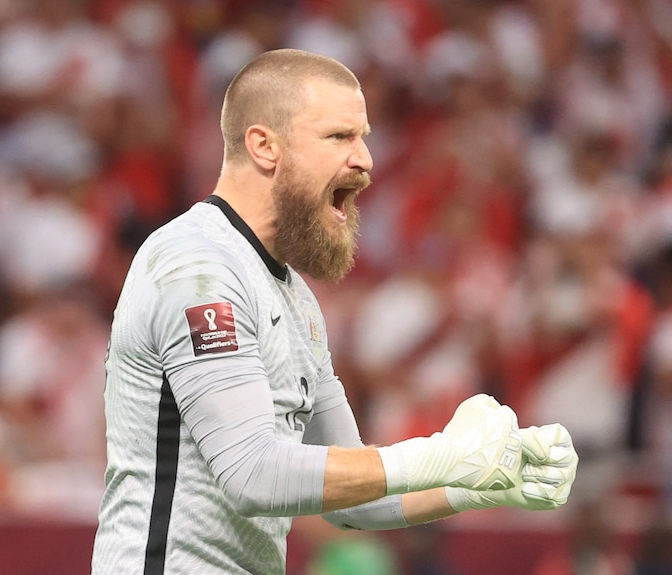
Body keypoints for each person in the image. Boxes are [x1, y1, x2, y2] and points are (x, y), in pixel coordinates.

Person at [91, 48, 578, 575]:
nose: (366, 160)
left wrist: (477, 484)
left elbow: (354, 501)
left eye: (364, 136)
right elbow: (251, 471)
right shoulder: (198, 266)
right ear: (264, 146)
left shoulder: (296, 300)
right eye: (339, 136)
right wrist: (445, 454)